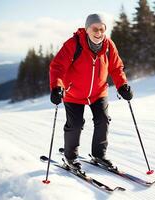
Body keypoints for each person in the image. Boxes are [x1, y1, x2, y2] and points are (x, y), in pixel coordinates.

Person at [49, 13, 133, 170]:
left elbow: (116, 67)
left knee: (103, 120)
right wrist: (57, 86)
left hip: (98, 92)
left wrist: (122, 85)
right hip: (73, 93)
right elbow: (58, 66)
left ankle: (99, 155)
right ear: (87, 29)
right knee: (75, 124)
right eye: (95, 29)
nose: (99, 33)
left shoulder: (108, 45)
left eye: (102, 29)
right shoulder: (74, 44)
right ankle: (71, 157)